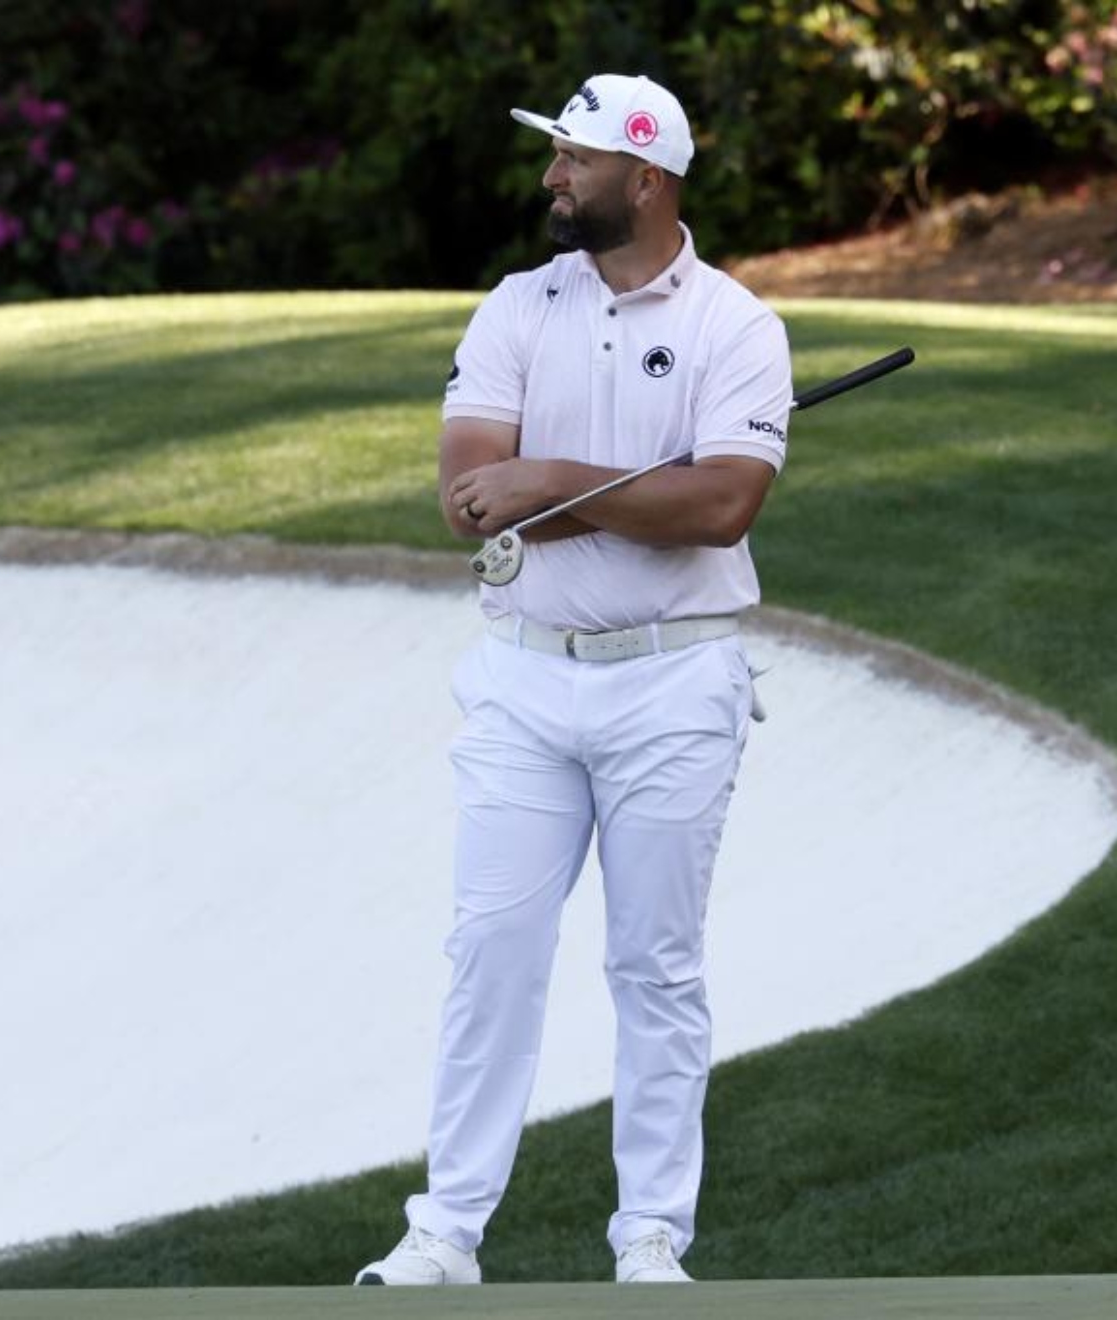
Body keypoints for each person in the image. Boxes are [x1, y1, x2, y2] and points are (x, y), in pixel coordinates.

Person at [355, 72, 793, 1287]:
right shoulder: (513, 309)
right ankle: (446, 1231)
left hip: (675, 683)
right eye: (554, 155)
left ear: (644, 177)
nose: (552, 175)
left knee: (654, 964)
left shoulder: (736, 328)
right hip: (523, 680)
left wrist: (549, 484)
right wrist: (592, 492)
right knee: (492, 948)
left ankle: (651, 1235)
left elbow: (720, 507)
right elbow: (469, 493)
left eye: (574, 158)